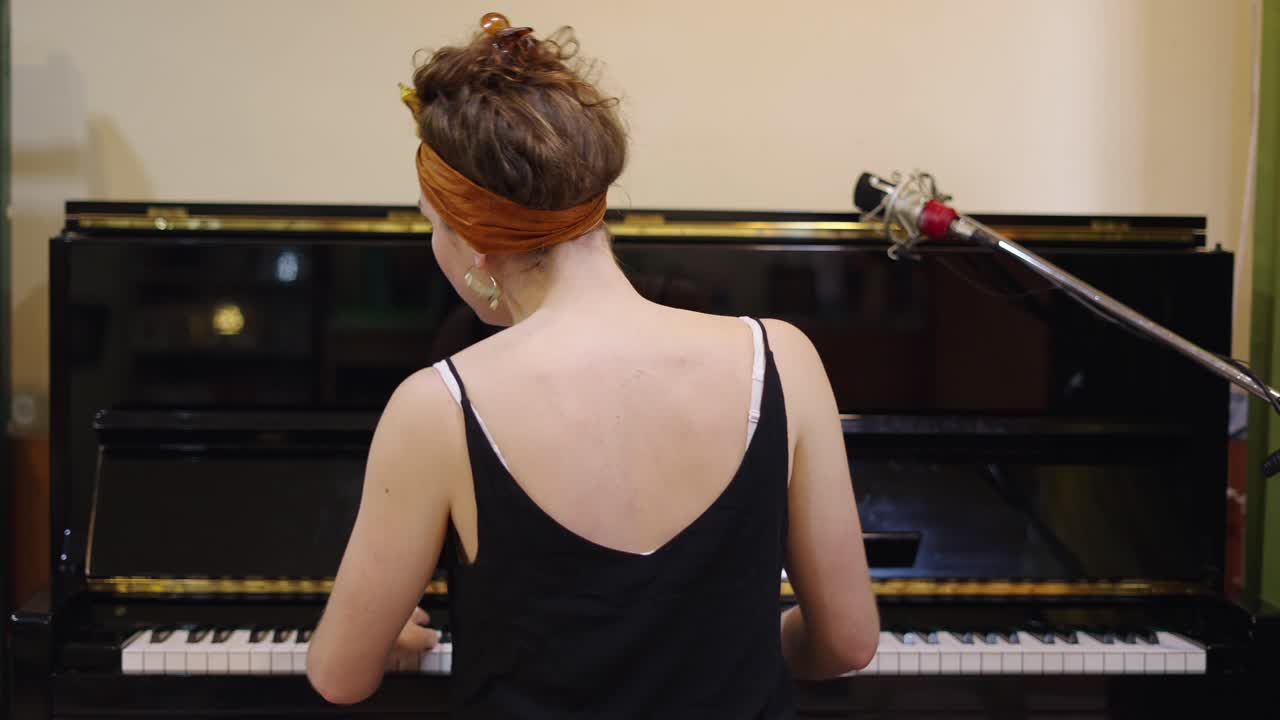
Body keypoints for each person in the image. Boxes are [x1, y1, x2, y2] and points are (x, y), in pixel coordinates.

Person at [306, 12, 878, 717]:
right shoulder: (784, 358)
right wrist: (749, 646)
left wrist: (386, 636)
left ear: (478, 244)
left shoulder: (436, 407)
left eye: (434, 222)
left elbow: (340, 677)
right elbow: (848, 643)